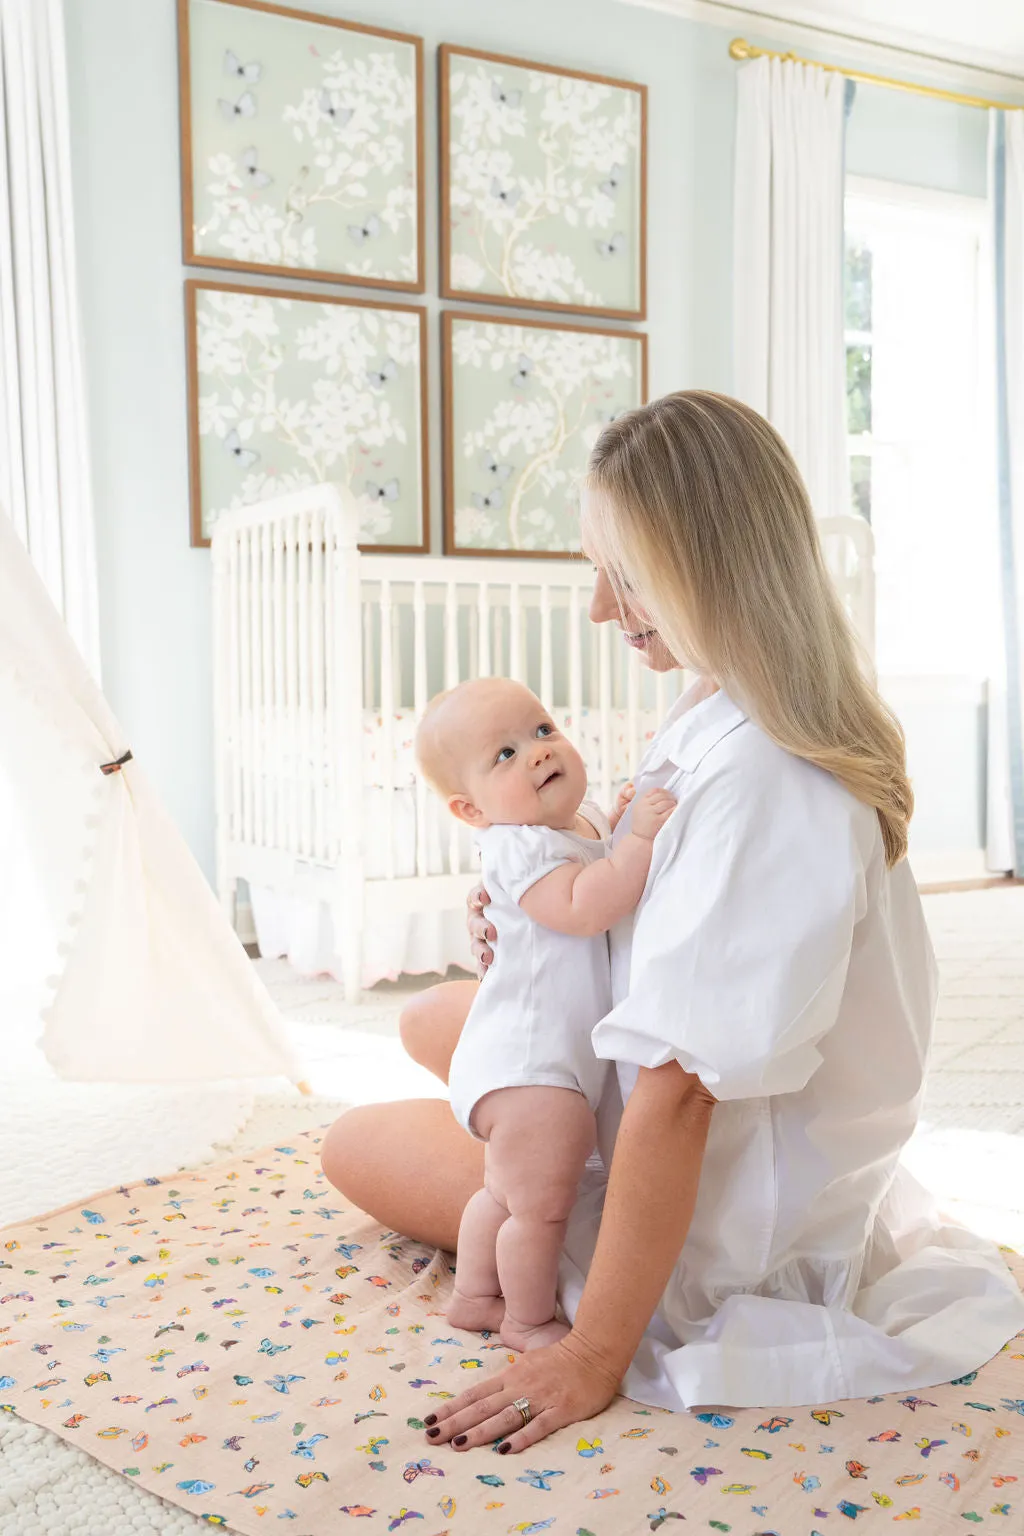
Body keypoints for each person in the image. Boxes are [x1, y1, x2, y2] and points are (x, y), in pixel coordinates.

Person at [322, 391, 1024, 1457]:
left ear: (713, 566)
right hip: (758, 1121)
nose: (601, 610)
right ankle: (520, 1102)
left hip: (723, 1209)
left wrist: (592, 1350)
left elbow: (680, 1094)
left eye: (626, 576)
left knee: (353, 1143)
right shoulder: (721, 698)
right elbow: (648, 877)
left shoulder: (768, 781)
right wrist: (546, 900)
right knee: (439, 1022)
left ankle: (570, 1221)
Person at [414, 676, 675, 1350]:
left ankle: (474, 1295)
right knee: (540, 1208)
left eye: (540, 730)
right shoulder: (520, 845)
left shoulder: (572, 825)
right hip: (532, 1069)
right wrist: (639, 842)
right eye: (503, 755)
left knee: (502, 1194)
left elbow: (594, 855)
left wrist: (616, 823)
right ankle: (527, 1320)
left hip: (523, 1058)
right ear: (471, 812)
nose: (535, 753)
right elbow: (586, 907)